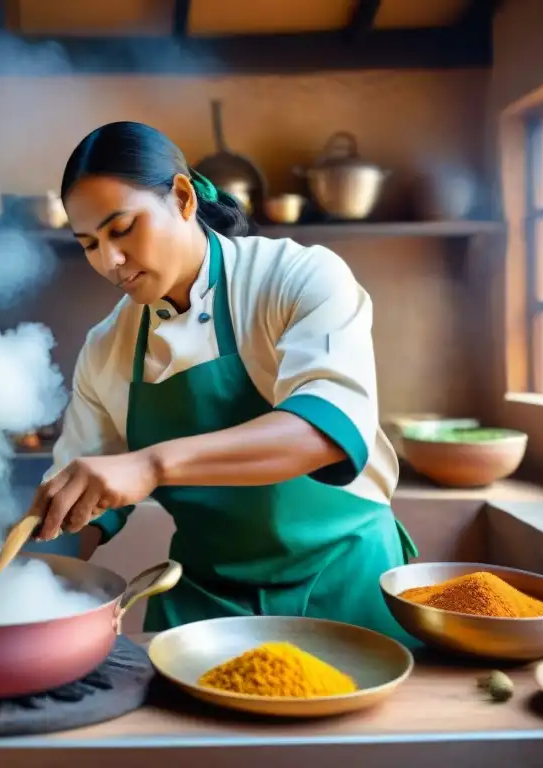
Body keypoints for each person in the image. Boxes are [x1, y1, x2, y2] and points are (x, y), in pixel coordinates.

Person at [28, 121, 417, 641]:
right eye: (89, 244)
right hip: (206, 605)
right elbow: (73, 506)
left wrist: (151, 464)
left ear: (183, 197)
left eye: (122, 229)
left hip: (344, 588)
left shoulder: (296, 279)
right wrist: (25, 590)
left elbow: (327, 430)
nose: (109, 261)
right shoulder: (107, 349)